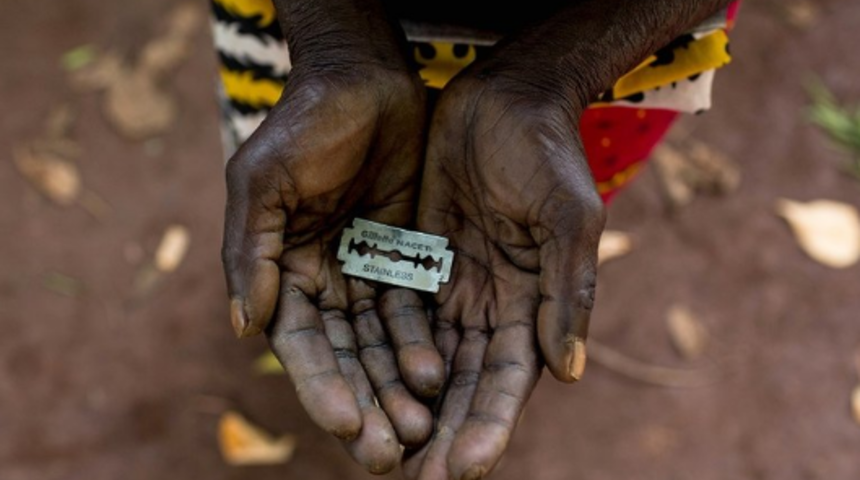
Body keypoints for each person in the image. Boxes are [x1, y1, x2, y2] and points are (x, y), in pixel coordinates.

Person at [214, 0, 739, 478]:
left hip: (608, 55)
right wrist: (334, 40)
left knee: (550, 207)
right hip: (307, 36)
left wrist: (556, 75)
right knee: (292, 172)